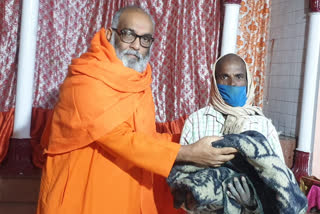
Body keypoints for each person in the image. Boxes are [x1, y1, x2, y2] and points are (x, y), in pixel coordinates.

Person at [36, 6, 238, 214]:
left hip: (125, 194)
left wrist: (188, 138)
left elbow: (144, 138)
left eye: (145, 39)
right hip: (81, 196)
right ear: (109, 34)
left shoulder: (139, 79)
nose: (136, 46)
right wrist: (187, 152)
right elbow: (119, 138)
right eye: (128, 34)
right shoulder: (85, 79)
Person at [179, 53, 285, 213]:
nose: (233, 83)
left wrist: (252, 203)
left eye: (239, 77)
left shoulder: (262, 125)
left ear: (247, 80)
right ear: (215, 82)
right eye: (224, 77)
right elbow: (180, 179)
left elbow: (279, 183)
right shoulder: (196, 122)